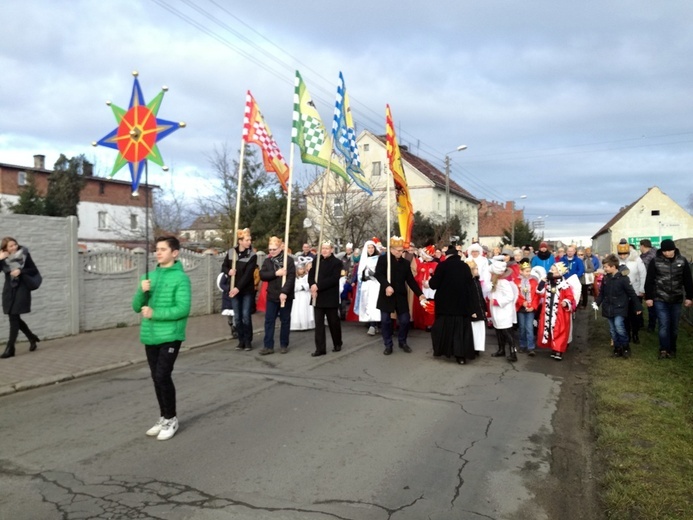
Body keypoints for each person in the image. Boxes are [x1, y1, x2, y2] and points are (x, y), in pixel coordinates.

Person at [132, 236, 191, 441]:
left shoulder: (181, 278)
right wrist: (142, 290)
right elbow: (135, 306)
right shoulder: (150, 276)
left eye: (163, 249)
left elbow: (183, 309)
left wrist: (154, 313)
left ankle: (171, 418)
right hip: (151, 335)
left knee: (162, 375)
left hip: (171, 335)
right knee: (156, 377)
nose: (158, 252)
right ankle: (163, 416)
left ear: (174, 253)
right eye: (157, 249)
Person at [374, 236, 426, 355]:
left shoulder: (405, 263)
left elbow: (410, 280)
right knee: (386, 321)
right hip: (387, 294)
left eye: (402, 250)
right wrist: (386, 285)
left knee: (405, 320)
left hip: (401, 295)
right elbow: (378, 274)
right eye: (397, 250)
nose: (400, 253)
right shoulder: (383, 260)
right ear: (391, 249)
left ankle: (402, 341)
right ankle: (388, 344)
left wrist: (420, 294)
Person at [644, 239, 693, 359]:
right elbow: (649, 280)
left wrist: (689, 297)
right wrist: (649, 297)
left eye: (669, 250)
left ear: (674, 249)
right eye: (665, 251)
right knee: (664, 325)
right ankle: (664, 349)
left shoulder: (682, 261)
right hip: (660, 298)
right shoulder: (655, 261)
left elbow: (688, 280)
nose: (667, 253)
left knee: (674, 326)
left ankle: (672, 348)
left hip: (676, 299)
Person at [428, 242, 475, 364]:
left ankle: (442, 350)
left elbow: (434, 285)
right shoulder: (465, 267)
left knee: (443, 329)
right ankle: (461, 357)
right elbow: (470, 285)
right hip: (461, 305)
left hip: (445, 305)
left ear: (447, 256)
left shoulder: (442, 266)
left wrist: (431, 277)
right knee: (460, 331)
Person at [596, 254, 643, 358]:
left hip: (620, 307)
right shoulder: (605, 279)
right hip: (608, 307)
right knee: (613, 330)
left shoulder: (623, 279)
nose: (605, 269)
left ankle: (625, 346)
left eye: (606, 267)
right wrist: (597, 303)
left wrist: (638, 306)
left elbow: (631, 293)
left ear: (613, 267)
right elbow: (602, 293)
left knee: (619, 326)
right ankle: (617, 348)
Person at [0, 237, 41, 359]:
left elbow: (33, 270)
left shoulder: (24, 255)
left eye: (15, 244)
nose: (14, 247)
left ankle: (10, 348)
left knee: (14, 317)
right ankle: (31, 337)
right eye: (10, 246)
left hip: (22, 288)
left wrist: (20, 270)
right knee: (14, 316)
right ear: (5, 248)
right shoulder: (3, 258)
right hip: (9, 289)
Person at [221, 228, 257, 351]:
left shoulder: (252, 255)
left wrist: (237, 288)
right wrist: (228, 271)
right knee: (237, 316)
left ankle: (248, 341)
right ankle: (240, 340)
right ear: (240, 241)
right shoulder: (231, 252)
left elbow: (248, 275)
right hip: (233, 289)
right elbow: (224, 266)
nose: (249, 242)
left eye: (250, 240)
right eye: (247, 240)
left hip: (246, 290)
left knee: (246, 315)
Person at [259, 236, 296, 355]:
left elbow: (291, 278)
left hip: (285, 296)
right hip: (272, 296)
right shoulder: (267, 261)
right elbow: (263, 275)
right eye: (270, 249)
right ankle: (268, 345)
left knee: (285, 320)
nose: (272, 252)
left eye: (274, 249)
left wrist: (284, 292)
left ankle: (284, 344)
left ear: (280, 248)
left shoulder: (288, 261)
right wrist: (276, 273)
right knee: (269, 321)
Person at [309, 240, 343, 356]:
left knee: (333, 322)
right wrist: (312, 285)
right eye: (323, 248)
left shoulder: (337, 263)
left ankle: (337, 342)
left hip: (330, 297)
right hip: (317, 296)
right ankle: (320, 348)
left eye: (327, 248)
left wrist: (318, 286)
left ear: (332, 250)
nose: (324, 250)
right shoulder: (316, 260)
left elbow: (334, 279)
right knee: (318, 324)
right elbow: (311, 275)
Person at [536, 262, 576, 361]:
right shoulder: (548, 282)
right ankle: (554, 348)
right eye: (551, 269)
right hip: (548, 311)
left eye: (553, 270)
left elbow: (570, 297)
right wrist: (542, 282)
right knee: (549, 329)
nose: (550, 271)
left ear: (559, 272)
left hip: (560, 313)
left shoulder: (564, 284)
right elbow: (540, 292)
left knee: (560, 330)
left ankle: (559, 350)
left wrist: (566, 302)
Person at [616, 239, 646, 344]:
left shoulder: (636, 259)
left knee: (635, 314)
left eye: (625, 254)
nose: (623, 256)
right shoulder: (616, 260)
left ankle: (635, 333)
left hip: (635, 290)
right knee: (625, 314)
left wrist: (642, 289)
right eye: (621, 254)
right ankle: (627, 333)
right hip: (622, 292)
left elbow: (643, 274)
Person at [488, 259, 518, 362]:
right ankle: (501, 350)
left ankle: (513, 352)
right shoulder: (495, 282)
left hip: (503, 311)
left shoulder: (504, 283)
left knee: (507, 332)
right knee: (498, 331)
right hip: (496, 311)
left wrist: (497, 302)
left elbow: (510, 296)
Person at [354, 239, 382, 335]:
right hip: (366, 285)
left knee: (374, 304)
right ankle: (372, 323)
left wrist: (374, 274)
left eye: (372, 247)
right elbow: (359, 273)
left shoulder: (378, 258)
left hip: (376, 285)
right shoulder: (363, 259)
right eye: (368, 248)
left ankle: (373, 325)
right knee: (368, 304)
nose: (370, 249)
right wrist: (363, 276)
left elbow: (381, 272)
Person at [515, 259, 539, 356]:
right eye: (526, 271)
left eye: (530, 271)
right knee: (522, 327)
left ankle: (530, 347)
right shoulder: (516, 281)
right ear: (521, 271)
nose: (529, 273)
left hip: (530, 308)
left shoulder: (534, 281)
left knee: (529, 327)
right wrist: (521, 302)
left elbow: (536, 296)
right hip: (521, 308)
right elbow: (515, 294)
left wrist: (533, 306)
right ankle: (522, 344)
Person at [465, 259, 488, 354]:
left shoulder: (476, 281)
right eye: (475, 269)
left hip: (479, 309)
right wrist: (471, 311)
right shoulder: (468, 282)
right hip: (474, 310)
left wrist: (485, 308)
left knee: (480, 329)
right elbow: (468, 298)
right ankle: (473, 347)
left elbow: (480, 296)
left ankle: (478, 347)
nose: (477, 270)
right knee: (474, 330)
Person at [290, 256, 315, 331]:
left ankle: (307, 323)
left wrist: (304, 287)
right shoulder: (295, 278)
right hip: (297, 296)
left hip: (305, 295)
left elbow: (309, 284)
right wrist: (298, 287)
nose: (301, 270)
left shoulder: (307, 276)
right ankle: (296, 324)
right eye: (299, 269)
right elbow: (292, 286)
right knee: (297, 309)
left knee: (305, 309)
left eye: (302, 269)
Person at [638, 239, 657, 332]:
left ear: (643, 246)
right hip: (644, 282)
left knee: (651, 305)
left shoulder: (651, 256)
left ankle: (651, 325)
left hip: (652, 283)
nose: (639, 248)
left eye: (640, 246)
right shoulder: (643, 256)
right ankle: (643, 323)